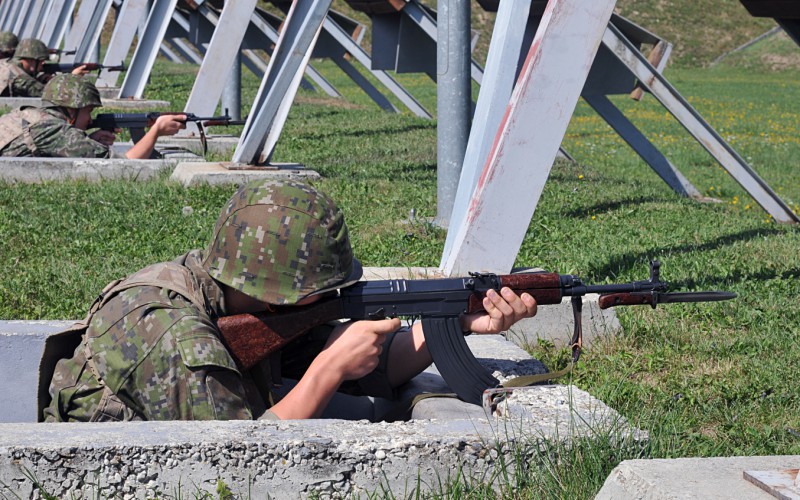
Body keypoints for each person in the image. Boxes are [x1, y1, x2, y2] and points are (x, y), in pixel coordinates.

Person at [40, 179, 538, 422]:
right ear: (276, 294)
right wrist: (327, 371)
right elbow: (237, 468)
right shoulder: (172, 336)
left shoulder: (237, 296)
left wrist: (455, 321)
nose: (333, 302)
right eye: (322, 296)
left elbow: (379, 367)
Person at [0, 73, 185, 159]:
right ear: (72, 110)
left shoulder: (29, 114)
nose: (90, 119)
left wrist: (87, 139)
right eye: (88, 111)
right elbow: (126, 163)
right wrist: (156, 131)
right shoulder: (55, 131)